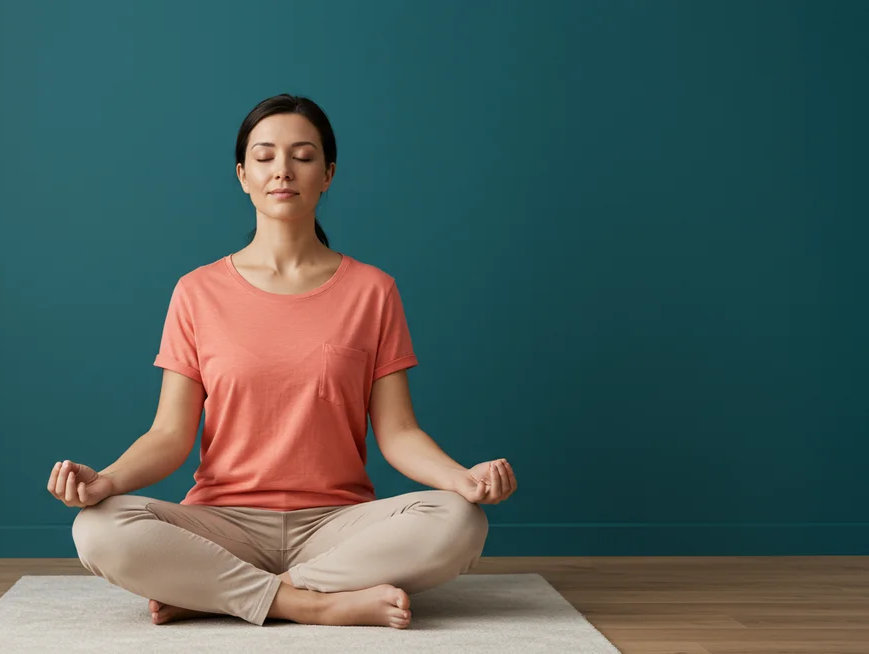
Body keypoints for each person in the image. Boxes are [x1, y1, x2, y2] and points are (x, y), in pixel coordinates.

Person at [46, 94, 517, 629]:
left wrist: (462, 478)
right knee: (97, 527)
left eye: (303, 156)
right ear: (243, 175)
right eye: (265, 156)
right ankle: (311, 602)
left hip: (338, 526)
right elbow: (169, 435)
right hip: (222, 525)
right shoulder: (197, 291)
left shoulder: (373, 291)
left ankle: (216, 592)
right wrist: (106, 481)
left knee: (459, 519)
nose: (283, 170)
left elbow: (399, 433)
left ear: (328, 174)